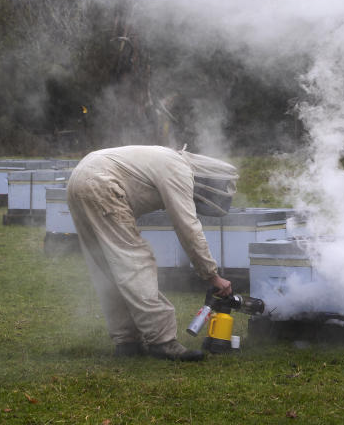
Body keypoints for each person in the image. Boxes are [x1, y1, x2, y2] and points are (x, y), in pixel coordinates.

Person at [66, 145, 238, 361]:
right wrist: (212, 275)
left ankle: (127, 341)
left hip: (80, 177)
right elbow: (187, 226)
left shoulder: (167, 159)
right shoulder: (180, 171)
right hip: (101, 183)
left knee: (107, 266)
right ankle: (162, 341)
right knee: (136, 261)